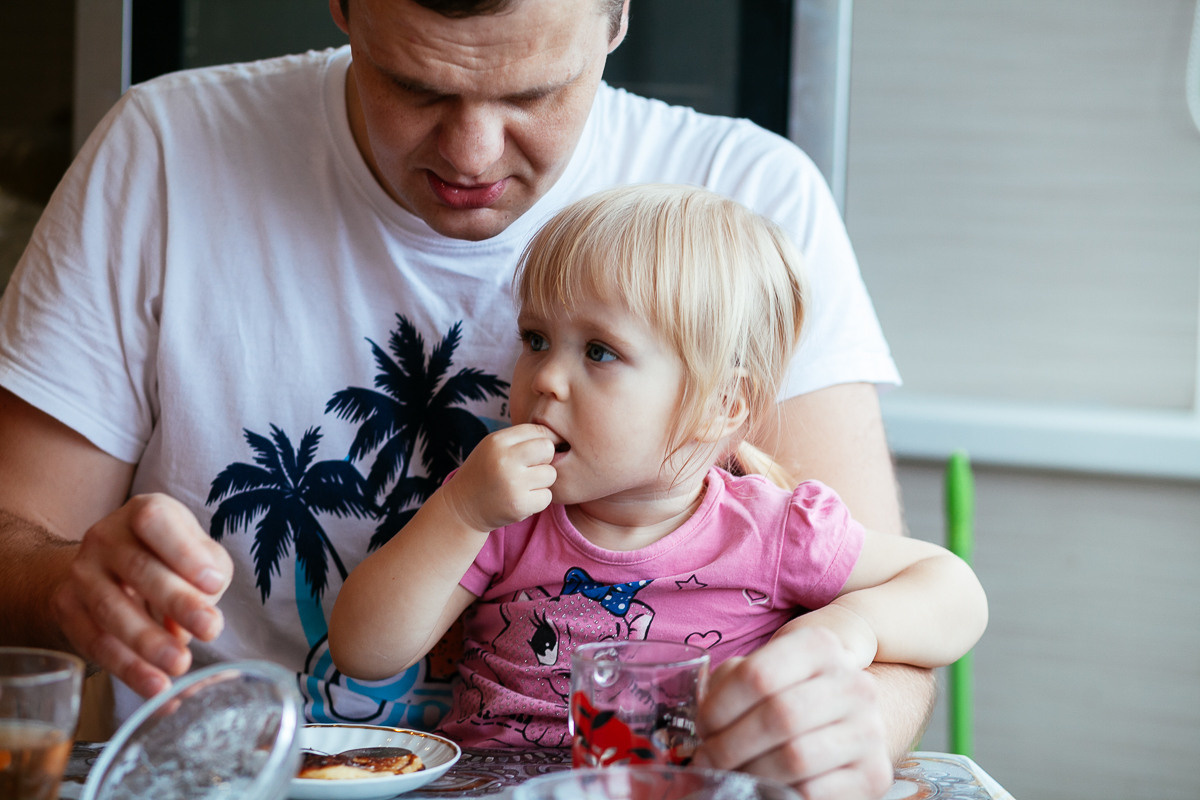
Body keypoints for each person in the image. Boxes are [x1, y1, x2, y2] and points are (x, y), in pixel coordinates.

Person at [0, 0, 924, 796]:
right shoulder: (162, 153)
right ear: (344, 6)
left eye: (533, 95)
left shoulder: (750, 201)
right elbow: (18, 542)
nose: (472, 154)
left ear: (618, 16)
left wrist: (842, 727)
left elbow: (902, 634)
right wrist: (70, 580)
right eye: (416, 88)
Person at [328, 184, 987, 757]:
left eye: (598, 351)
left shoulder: (771, 530)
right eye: (535, 339)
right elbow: (364, 650)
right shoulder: (499, 509)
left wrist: (851, 629)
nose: (546, 378)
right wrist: (461, 514)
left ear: (721, 405)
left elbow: (955, 593)